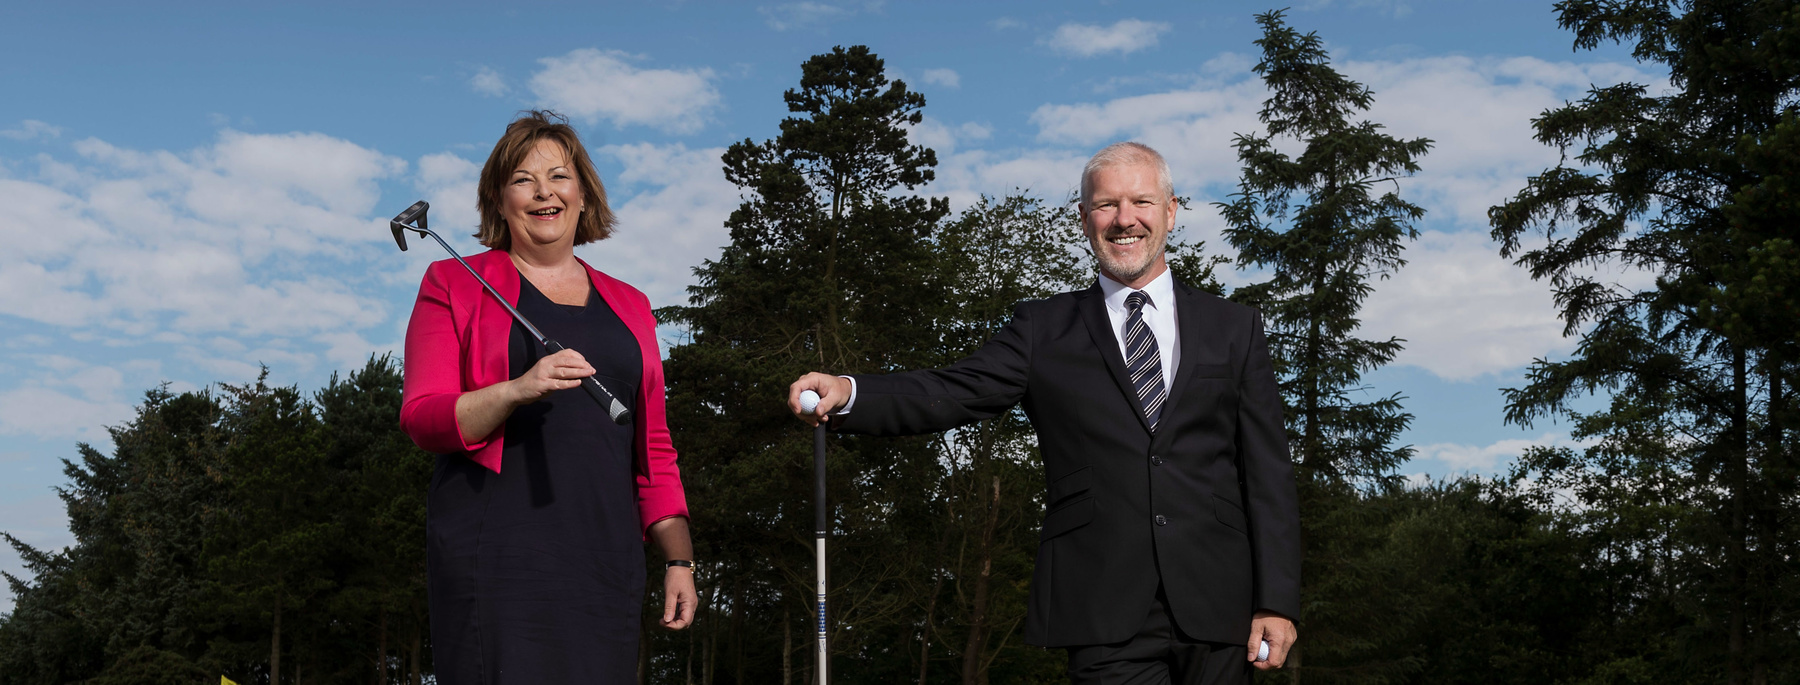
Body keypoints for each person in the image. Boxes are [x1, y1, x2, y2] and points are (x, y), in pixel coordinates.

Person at [788, 142, 1300, 684]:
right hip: (1102, 606)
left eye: (1141, 202)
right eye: (1106, 205)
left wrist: (1277, 600)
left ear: (1171, 211)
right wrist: (851, 391)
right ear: (1084, 219)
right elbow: (953, 389)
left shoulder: (1234, 327)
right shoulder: (1042, 329)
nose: (1124, 220)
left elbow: (1269, 475)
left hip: (1220, 604)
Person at [399, 110, 695, 683]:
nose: (543, 193)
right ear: (499, 200)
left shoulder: (630, 304)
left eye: (558, 176)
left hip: (605, 556)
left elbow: (653, 447)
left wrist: (679, 559)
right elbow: (423, 418)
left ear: (583, 193)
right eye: (522, 180)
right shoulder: (452, 281)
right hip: (499, 553)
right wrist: (516, 389)